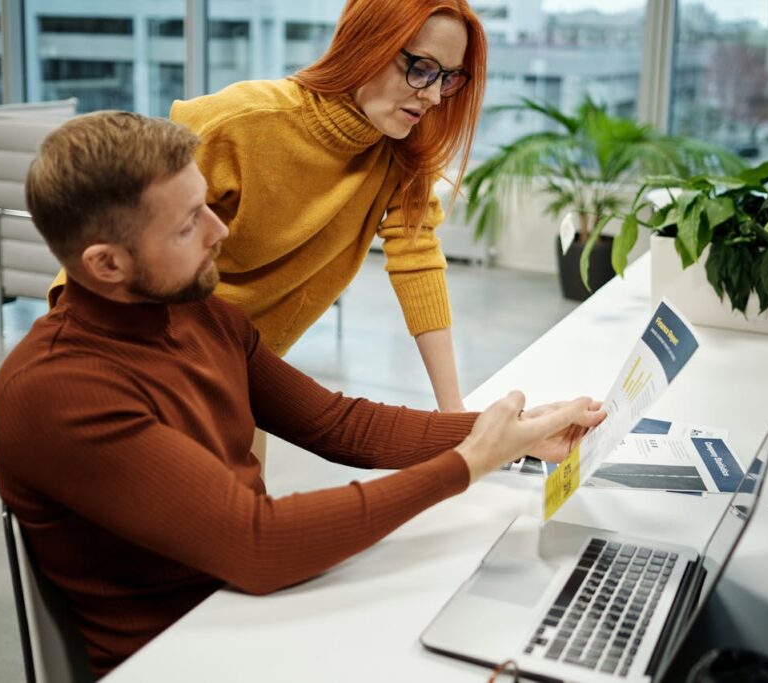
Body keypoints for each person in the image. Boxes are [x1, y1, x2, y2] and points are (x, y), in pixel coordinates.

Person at [0, 111, 605, 675]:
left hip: (262, 614)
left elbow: (337, 425)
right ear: (105, 265)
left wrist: (515, 428)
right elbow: (258, 544)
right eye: (187, 224)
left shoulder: (202, 315)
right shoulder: (56, 393)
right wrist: (468, 463)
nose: (219, 230)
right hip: (187, 654)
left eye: (206, 205)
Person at [52, 0, 486, 414]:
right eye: (422, 69)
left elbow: (418, 261)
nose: (433, 96)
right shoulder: (241, 121)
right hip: (143, 353)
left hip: (242, 366)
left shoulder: (401, 152)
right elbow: (113, 226)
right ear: (367, 43)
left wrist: (454, 411)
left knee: (244, 486)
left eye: (447, 78)